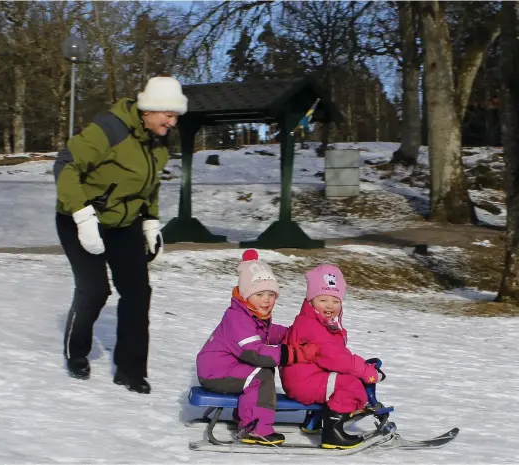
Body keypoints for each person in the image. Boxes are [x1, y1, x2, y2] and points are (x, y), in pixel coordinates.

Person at [54, 76, 188, 394]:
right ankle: (76, 351)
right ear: (148, 109)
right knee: (95, 290)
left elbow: (149, 186)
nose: (172, 121)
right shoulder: (109, 130)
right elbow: (65, 165)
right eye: (167, 114)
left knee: (138, 292)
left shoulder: (159, 142)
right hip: (79, 217)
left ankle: (130, 370)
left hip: (124, 223)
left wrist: (151, 223)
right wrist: (83, 215)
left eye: (176, 115)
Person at [196, 250, 318, 446]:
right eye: (260, 294)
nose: (267, 300)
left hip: (227, 367)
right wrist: (293, 353)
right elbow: (254, 352)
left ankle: (246, 414)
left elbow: (268, 333)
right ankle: (256, 429)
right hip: (215, 372)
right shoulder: (237, 319)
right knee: (260, 375)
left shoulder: (251, 314)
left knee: (262, 371)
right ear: (245, 295)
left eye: (271, 294)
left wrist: (292, 334)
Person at [279, 264, 385, 449]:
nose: (330, 306)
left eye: (335, 301)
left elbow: (335, 357)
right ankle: (333, 434)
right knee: (350, 385)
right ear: (311, 301)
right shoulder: (312, 327)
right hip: (304, 382)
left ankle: (314, 422)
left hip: (307, 377)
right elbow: (337, 359)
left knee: (346, 378)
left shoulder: (321, 322)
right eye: (323, 300)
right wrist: (368, 373)